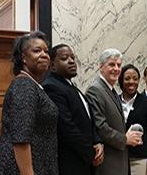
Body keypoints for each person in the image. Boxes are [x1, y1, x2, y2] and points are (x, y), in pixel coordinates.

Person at [0, 31, 58, 175]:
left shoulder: (33, 85)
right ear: (23, 58)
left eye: (46, 51)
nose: (44, 55)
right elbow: (21, 139)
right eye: (37, 50)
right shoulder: (24, 85)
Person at [42, 44, 104, 175]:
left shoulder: (70, 86)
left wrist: (97, 141)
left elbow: (88, 119)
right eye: (64, 58)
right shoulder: (51, 87)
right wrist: (90, 153)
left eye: (72, 57)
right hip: (70, 162)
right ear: (52, 65)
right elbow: (67, 127)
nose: (71, 61)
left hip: (84, 160)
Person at [85, 48, 143, 175]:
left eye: (119, 65)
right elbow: (100, 126)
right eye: (111, 64)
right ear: (101, 66)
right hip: (108, 163)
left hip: (118, 161)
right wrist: (124, 139)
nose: (116, 69)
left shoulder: (111, 90)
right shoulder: (95, 90)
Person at [118, 64, 147, 175]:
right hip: (118, 157)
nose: (132, 82)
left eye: (135, 79)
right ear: (121, 80)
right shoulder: (114, 100)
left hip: (139, 158)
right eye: (127, 78)